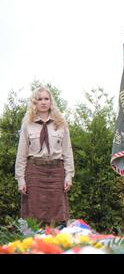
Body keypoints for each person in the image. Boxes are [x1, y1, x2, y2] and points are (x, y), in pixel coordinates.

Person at [15, 86, 75, 224]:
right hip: (34, 172)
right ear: (34, 103)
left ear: (51, 101)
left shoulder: (61, 124)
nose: (43, 102)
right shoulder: (27, 125)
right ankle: (33, 244)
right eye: (39, 99)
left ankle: (56, 244)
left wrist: (69, 175)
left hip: (56, 173)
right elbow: (21, 154)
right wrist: (20, 179)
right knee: (33, 217)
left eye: (46, 99)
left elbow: (67, 151)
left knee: (59, 216)